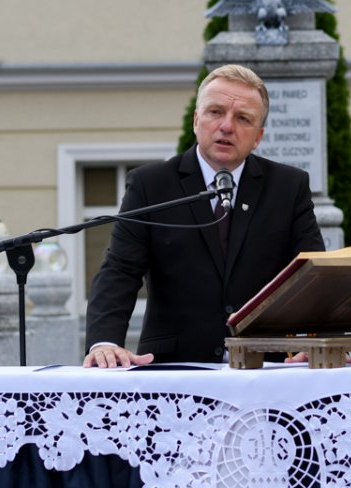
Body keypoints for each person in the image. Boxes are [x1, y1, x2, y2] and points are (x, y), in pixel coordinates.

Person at [84, 64, 325, 368]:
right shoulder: (152, 185)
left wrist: (320, 339)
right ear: (196, 120)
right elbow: (120, 270)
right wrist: (105, 342)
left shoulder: (288, 187)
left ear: (258, 136)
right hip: (174, 369)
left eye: (243, 119)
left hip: (266, 368)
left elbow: (312, 274)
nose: (226, 126)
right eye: (215, 112)